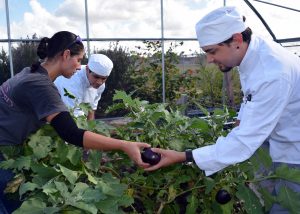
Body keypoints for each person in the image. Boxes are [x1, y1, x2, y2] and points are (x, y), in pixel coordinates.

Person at [145, 6, 300, 213]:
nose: (209, 59)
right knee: (268, 198)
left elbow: (244, 141)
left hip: (294, 150)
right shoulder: (253, 54)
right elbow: (252, 99)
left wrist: (184, 156)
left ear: (236, 40)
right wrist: (240, 121)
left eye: (212, 51)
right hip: (273, 141)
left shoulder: (272, 72)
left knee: (286, 207)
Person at [0, 31, 150, 213]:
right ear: (65, 55)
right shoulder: (41, 86)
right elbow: (70, 133)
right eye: (79, 60)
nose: (80, 67)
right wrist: (124, 145)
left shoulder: (30, 72)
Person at [54, 54, 113, 120]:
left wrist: (91, 127)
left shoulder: (101, 85)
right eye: (96, 77)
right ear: (87, 69)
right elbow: (74, 115)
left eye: (104, 78)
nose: (99, 82)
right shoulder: (73, 80)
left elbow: (91, 109)